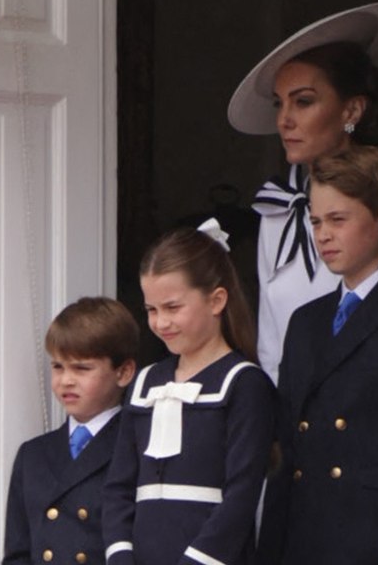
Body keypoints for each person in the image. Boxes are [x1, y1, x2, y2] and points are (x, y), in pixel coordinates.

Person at [226, 1, 378, 385]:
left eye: (303, 101)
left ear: (351, 111)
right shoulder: (277, 213)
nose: (285, 119)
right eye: (279, 103)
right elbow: (272, 346)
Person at [256, 146, 378, 565]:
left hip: (371, 539)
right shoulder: (305, 322)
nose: (322, 235)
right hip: (303, 540)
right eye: (315, 221)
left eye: (338, 220)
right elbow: (285, 453)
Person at [102, 220, 274, 565]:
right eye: (151, 310)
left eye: (172, 307)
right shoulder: (146, 383)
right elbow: (118, 487)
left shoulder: (244, 383)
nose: (160, 322)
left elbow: (241, 495)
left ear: (216, 300)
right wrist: (120, 556)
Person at [3, 296, 140, 565]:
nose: (66, 380)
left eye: (82, 368)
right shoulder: (33, 454)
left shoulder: (138, 445)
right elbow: (18, 554)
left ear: (123, 372)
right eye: (57, 367)